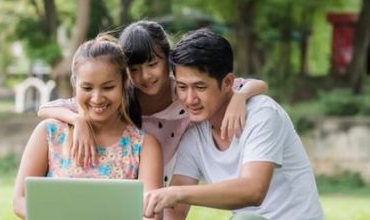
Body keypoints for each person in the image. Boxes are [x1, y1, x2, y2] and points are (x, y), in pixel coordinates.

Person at [0, 35, 185, 220]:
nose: (97, 98)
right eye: (87, 88)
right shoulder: (49, 132)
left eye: (108, 87)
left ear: (125, 83)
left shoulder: (144, 145)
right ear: (75, 85)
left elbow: (150, 212)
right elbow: (19, 201)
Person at [143, 29, 333, 220]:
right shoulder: (195, 135)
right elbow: (172, 213)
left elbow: (252, 191)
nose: (189, 99)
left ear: (228, 82)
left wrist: (174, 193)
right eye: (182, 88)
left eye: (200, 87)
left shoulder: (263, 114)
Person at [38, 20, 268, 183]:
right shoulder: (122, 98)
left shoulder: (184, 91)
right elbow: (45, 108)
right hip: (137, 182)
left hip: (173, 178)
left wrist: (240, 96)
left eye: (152, 64)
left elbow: (256, 84)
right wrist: (78, 119)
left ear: (168, 58)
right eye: (134, 69)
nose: (144, 76)